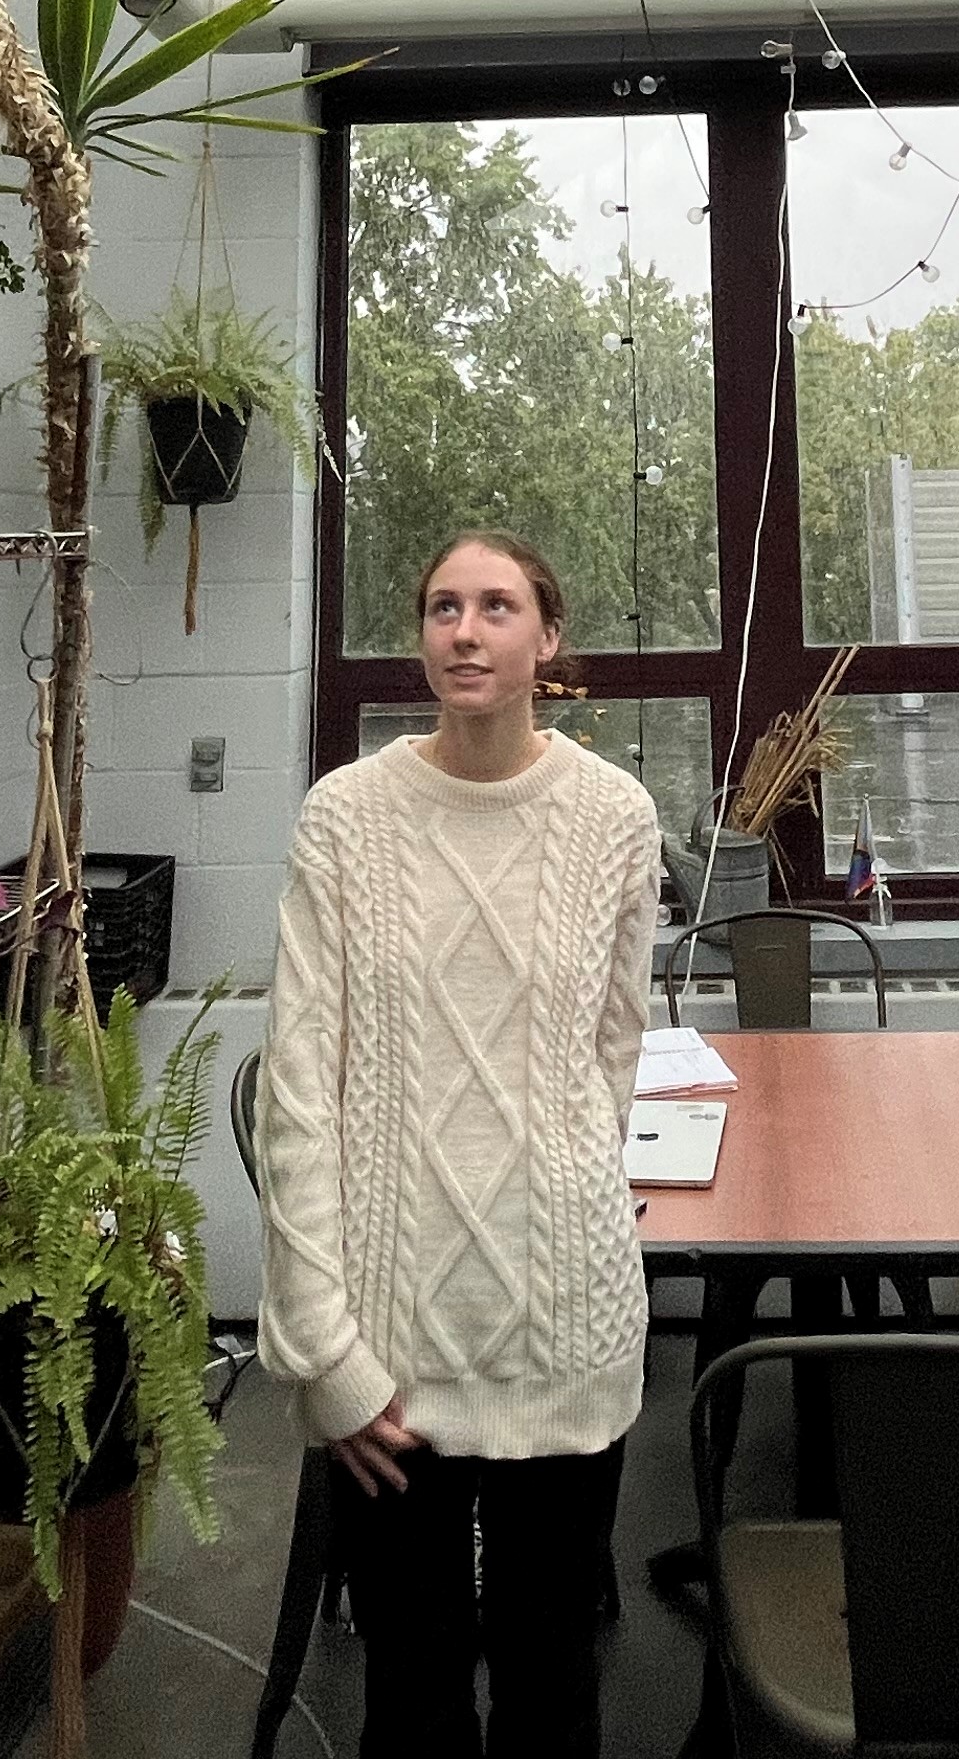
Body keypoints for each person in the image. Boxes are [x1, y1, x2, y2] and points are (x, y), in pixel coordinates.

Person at [258, 530, 665, 1757]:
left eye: (497, 607)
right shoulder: (345, 818)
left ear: (548, 639)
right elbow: (300, 1095)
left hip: (568, 1331)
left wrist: (568, 1209)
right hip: (391, 1353)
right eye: (444, 607)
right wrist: (323, 1354)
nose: (467, 631)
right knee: (412, 1697)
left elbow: (610, 1059)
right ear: (421, 635)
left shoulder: (615, 817)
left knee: (555, 1689)